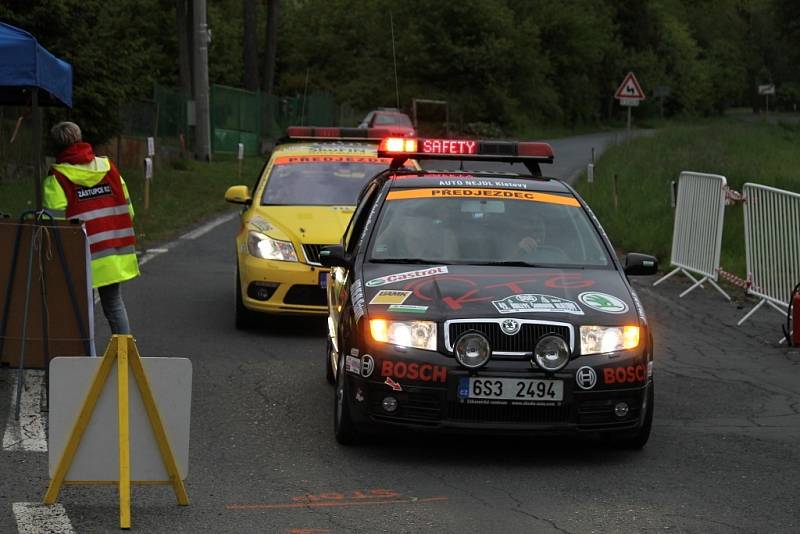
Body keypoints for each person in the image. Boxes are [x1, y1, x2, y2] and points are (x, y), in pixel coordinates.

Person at [42, 122, 139, 334]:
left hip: (79, 258)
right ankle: (125, 357)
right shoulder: (108, 168)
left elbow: (54, 227)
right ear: (80, 138)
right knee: (114, 305)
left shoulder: (57, 179)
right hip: (112, 255)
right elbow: (129, 210)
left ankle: (84, 359)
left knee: (78, 311)